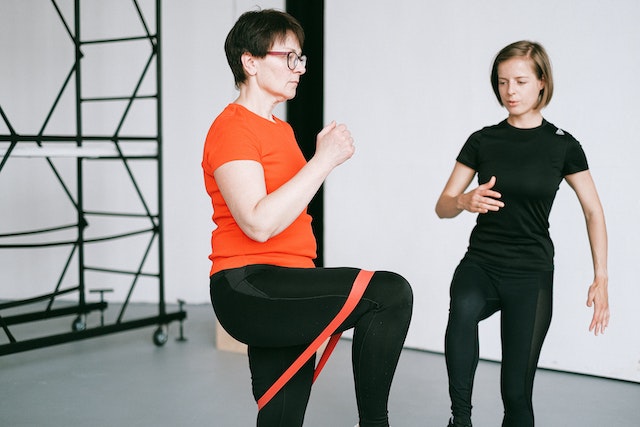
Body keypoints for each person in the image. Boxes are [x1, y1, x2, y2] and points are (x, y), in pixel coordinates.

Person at [202, 9, 413, 427]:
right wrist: (324, 160)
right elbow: (258, 223)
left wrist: (319, 161)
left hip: (290, 282)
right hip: (250, 284)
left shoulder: (279, 130)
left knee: (281, 415)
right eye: (290, 57)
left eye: (302, 59)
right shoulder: (231, 129)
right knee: (389, 293)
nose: (299, 69)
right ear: (251, 61)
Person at [435, 40, 609, 427]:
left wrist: (601, 277)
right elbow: (442, 205)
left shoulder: (563, 146)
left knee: (516, 396)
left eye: (519, 81)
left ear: (542, 83)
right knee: (461, 310)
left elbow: (593, 210)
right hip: (481, 262)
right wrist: (464, 201)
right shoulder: (482, 141)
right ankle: (459, 419)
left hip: (530, 272)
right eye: (502, 82)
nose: (510, 91)